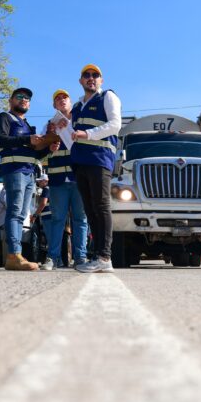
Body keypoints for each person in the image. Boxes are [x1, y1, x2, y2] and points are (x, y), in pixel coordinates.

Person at [68, 64, 122, 273]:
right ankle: (97, 255)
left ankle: (105, 257)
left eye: (95, 75)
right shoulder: (78, 106)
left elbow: (115, 125)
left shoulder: (108, 97)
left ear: (101, 80)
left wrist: (87, 134)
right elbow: (72, 133)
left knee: (101, 206)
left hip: (99, 160)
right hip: (80, 162)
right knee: (90, 210)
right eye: (86, 75)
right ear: (81, 81)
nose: (91, 78)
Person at [0, 87, 48, 271]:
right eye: (19, 97)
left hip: (29, 173)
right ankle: (13, 254)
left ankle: (16, 255)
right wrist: (27, 139)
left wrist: (49, 148)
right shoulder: (5, 118)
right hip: (15, 171)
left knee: (21, 214)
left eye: (27, 98)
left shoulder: (26, 125)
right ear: (11, 101)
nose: (24, 99)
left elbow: (35, 156)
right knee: (15, 212)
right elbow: (1, 140)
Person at [43, 89, 89, 270]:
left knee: (80, 219)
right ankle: (52, 258)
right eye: (58, 99)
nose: (62, 100)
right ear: (54, 106)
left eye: (65, 97)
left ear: (71, 102)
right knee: (57, 220)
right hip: (58, 181)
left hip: (79, 179)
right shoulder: (49, 125)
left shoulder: (80, 121)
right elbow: (42, 150)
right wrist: (50, 142)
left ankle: (81, 258)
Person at [32, 174, 55, 270]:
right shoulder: (53, 189)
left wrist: (35, 215)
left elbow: (43, 203)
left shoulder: (46, 189)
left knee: (50, 239)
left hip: (47, 217)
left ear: (46, 181)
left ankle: (52, 260)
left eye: (41, 181)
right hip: (52, 216)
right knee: (53, 239)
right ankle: (57, 260)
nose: (39, 182)